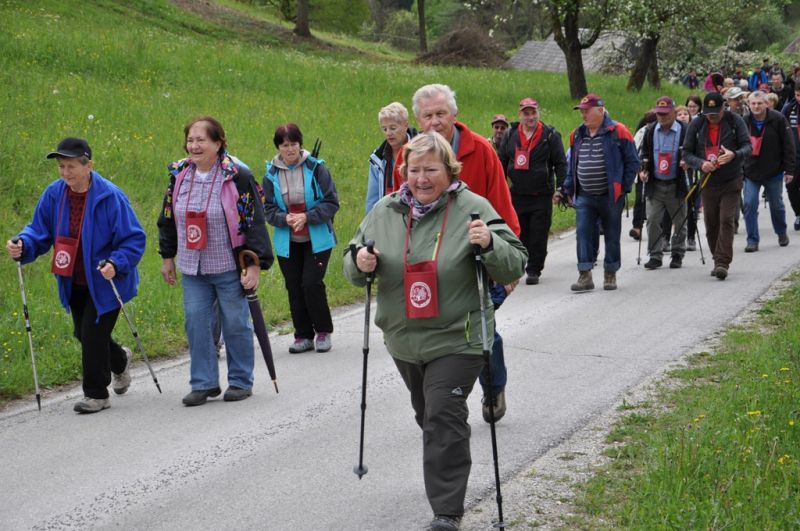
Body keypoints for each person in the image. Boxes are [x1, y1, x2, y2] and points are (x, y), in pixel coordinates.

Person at [343, 132, 527, 531]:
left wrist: (490, 242)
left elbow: (514, 264)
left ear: (449, 170)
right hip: (404, 339)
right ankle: (443, 468)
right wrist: (361, 262)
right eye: (414, 170)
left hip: (457, 337)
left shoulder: (472, 208)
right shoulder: (385, 210)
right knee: (428, 414)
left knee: (444, 415)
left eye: (431, 169)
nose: (422, 178)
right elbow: (353, 265)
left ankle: (446, 511)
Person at [398, 83, 521, 423]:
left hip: (477, 262)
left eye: (441, 114)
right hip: (428, 267)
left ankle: (492, 385)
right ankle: (444, 398)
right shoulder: (408, 154)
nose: (434, 122)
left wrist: (506, 266)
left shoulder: (480, 150)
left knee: (480, 328)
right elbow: (397, 209)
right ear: (417, 119)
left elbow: (503, 209)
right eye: (427, 115)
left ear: (454, 115)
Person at [7, 137, 146, 414]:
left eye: (71, 166)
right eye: (61, 166)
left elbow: (133, 239)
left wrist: (116, 263)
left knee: (92, 335)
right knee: (83, 334)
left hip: (106, 280)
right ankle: (120, 360)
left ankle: (96, 394)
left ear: (88, 165)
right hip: (72, 278)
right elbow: (39, 230)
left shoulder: (110, 196)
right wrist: (23, 243)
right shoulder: (54, 194)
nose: (65, 173)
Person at [158, 116, 273, 406]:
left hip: (227, 265)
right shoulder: (179, 174)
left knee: (235, 323)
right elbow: (168, 218)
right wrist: (167, 256)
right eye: (190, 140)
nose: (194, 146)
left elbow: (254, 220)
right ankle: (204, 383)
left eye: (201, 140)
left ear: (218, 142)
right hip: (192, 266)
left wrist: (255, 264)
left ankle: (240, 381)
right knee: (196, 323)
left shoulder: (237, 175)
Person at [264, 123, 339, 354]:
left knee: (311, 283)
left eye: (294, 144)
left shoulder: (316, 168)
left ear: (300, 145)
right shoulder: (271, 174)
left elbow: (331, 203)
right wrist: (284, 218)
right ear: (278, 147)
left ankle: (323, 331)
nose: (290, 150)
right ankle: (303, 335)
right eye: (285, 145)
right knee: (294, 287)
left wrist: (307, 217)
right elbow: (267, 209)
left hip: (317, 238)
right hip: (289, 242)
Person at [555, 94, 640, 291]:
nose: (583, 115)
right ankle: (585, 275)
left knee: (611, 234)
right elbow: (572, 167)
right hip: (584, 195)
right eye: (582, 111)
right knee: (583, 233)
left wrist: (623, 188)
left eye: (587, 110)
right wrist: (565, 189)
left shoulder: (618, 131)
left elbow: (633, 162)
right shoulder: (577, 134)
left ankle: (610, 274)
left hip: (610, 195)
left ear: (600, 110)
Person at [683, 92, 752, 280]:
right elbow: (686, 153)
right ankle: (716, 257)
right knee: (710, 222)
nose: (712, 116)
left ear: (723, 107)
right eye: (708, 112)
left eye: (715, 112)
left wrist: (734, 155)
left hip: (731, 180)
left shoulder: (735, 121)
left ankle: (723, 262)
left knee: (726, 220)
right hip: (708, 182)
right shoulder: (697, 124)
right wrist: (700, 163)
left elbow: (748, 147)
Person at [498, 97, 566, 285]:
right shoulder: (510, 134)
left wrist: (561, 188)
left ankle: (534, 269)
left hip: (541, 195)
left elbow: (561, 163)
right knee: (519, 233)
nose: (530, 117)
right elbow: (501, 162)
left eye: (533, 113)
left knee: (538, 233)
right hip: (517, 194)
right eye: (526, 113)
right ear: (520, 115)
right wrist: (499, 187)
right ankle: (519, 264)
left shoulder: (550, 135)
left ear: (538, 113)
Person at [638, 97, 689, 270]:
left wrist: (687, 162)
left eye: (665, 114)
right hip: (656, 183)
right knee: (652, 219)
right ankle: (655, 255)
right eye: (659, 114)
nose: (662, 117)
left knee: (680, 221)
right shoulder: (651, 131)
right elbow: (644, 152)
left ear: (673, 113)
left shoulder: (684, 130)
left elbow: (693, 150)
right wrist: (643, 170)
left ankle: (677, 253)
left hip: (677, 183)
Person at [742, 91, 795, 252]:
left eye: (759, 103)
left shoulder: (778, 119)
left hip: (774, 171)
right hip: (751, 172)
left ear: (766, 104)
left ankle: (781, 232)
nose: (756, 106)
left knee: (777, 206)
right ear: (749, 105)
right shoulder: (744, 121)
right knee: (749, 204)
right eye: (753, 103)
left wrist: (789, 170)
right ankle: (752, 239)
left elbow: (788, 145)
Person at [366, 102, 416, 214]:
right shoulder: (377, 159)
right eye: (384, 129)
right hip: (387, 216)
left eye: (393, 128)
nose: (388, 133)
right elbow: (372, 198)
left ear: (405, 125)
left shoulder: (421, 151)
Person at [780, 86, 800, 231]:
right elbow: (780, 129)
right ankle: (798, 213)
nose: (799, 98)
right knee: (791, 186)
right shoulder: (789, 108)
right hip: (793, 156)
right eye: (798, 95)